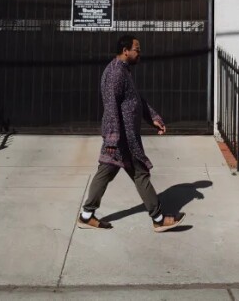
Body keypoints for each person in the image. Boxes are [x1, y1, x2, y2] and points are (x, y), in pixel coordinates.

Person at [77, 35, 185, 233]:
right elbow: (111, 107)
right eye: (137, 49)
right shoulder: (115, 73)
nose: (139, 52)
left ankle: (86, 216)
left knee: (106, 172)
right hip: (122, 138)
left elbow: (135, 99)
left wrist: (152, 117)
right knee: (139, 174)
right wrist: (112, 138)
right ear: (125, 50)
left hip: (122, 137)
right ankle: (159, 219)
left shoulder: (124, 71)